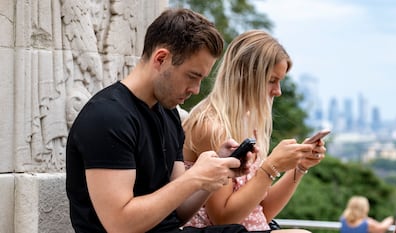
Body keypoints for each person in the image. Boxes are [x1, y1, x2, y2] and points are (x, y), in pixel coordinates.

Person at [65, 8, 268, 233]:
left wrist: (216, 173)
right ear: (161, 58)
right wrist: (195, 176)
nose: (196, 89)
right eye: (192, 76)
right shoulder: (106, 118)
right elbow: (119, 224)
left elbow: (178, 212)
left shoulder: (167, 112)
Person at [182, 30, 326, 231]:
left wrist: (299, 167)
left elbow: (260, 212)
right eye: (271, 80)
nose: (278, 91)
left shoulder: (249, 124)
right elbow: (222, 219)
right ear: (246, 76)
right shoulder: (213, 127)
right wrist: (271, 166)